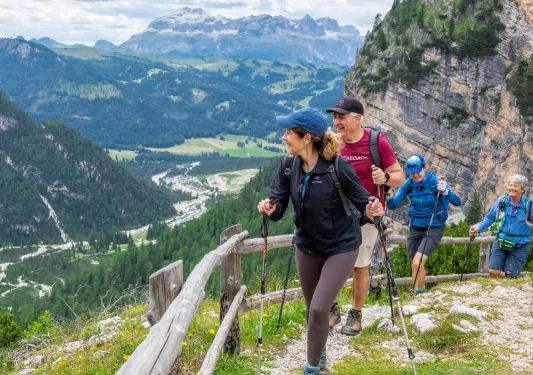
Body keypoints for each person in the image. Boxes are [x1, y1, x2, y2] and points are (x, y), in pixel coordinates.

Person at [257, 107, 384, 375]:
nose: (284, 137)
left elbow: (364, 201)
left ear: (306, 138)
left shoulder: (338, 166)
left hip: (342, 247)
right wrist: (270, 206)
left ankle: (311, 368)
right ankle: (321, 351)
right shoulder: (288, 166)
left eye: (289, 132)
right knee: (311, 308)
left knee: (318, 309)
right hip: (307, 246)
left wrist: (372, 209)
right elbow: (278, 203)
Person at [326, 97, 404, 336]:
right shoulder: (333, 144)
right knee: (329, 265)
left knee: (360, 266)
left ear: (357, 119)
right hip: (335, 216)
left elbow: (399, 176)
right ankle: (332, 308)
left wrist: (385, 179)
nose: (336, 122)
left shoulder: (376, 142)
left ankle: (356, 313)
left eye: (341, 117)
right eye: (335, 117)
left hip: (367, 216)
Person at [387, 154, 462, 294]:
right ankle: (417, 293)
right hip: (416, 226)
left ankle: (418, 295)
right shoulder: (409, 185)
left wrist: (445, 191)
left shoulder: (436, 182)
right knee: (415, 264)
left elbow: (457, 202)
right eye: (412, 173)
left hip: (435, 226)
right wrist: (388, 194)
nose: (415, 175)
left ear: (425, 168)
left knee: (418, 262)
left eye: (418, 171)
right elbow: (393, 205)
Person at [469, 175, 532, 278]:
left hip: (520, 244)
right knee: (493, 271)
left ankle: (506, 292)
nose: (511, 188)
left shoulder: (529, 204)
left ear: (523, 189)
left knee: (510, 275)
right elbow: (490, 217)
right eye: (510, 185)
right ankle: (497, 290)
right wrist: (478, 229)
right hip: (501, 240)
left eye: (515, 186)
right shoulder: (502, 201)